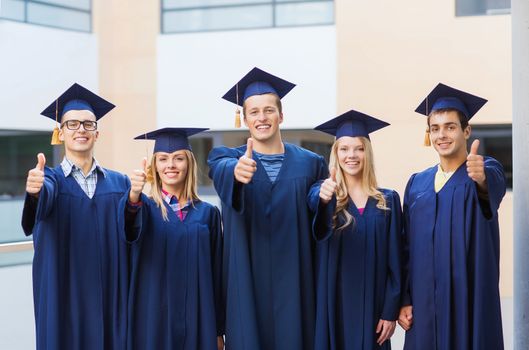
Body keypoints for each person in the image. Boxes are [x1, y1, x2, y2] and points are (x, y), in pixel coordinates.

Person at [207, 67, 328, 350]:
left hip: (296, 286)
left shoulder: (311, 163)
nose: (262, 118)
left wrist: (323, 197)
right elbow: (221, 169)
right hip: (247, 286)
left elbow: (318, 207)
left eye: (269, 110)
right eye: (254, 112)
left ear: (281, 115)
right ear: (244, 118)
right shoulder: (227, 158)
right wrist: (237, 172)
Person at [21, 83, 129, 350]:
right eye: (71, 124)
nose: (81, 129)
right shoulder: (50, 179)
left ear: (97, 133)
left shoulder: (120, 184)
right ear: (60, 133)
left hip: (108, 300)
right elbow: (41, 200)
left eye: (88, 124)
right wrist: (34, 192)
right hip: (63, 298)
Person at [398, 83, 506, 350]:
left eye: (450, 127)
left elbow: (490, 188)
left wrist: (480, 178)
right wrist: (404, 298)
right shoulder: (417, 184)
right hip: (424, 306)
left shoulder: (483, 171)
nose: (441, 135)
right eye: (435, 128)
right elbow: (405, 247)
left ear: (466, 130)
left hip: (466, 303)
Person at [122, 127, 224, 350]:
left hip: (199, 317)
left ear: (188, 163)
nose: (170, 165)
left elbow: (217, 276)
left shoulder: (208, 214)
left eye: (178, 158)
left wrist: (218, 330)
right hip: (155, 320)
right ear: (154, 167)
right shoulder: (144, 208)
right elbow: (129, 229)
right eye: (163, 159)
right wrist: (133, 197)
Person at [308, 110, 402, 350]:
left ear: (367, 153)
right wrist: (324, 199)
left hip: (374, 309)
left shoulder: (388, 201)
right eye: (344, 149)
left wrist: (390, 311)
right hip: (334, 307)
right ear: (336, 154)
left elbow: (397, 260)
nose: (352, 155)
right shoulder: (325, 194)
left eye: (359, 148)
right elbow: (318, 229)